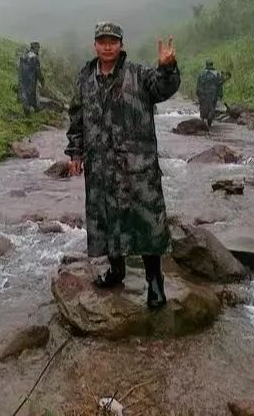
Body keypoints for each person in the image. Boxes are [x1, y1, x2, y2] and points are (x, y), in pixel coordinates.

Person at [65, 21, 180, 309]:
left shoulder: (139, 75)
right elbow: (76, 119)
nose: (107, 46)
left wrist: (168, 67)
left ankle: (155, 281)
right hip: (101, 165)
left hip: (136, 166)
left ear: (120, 45)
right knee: (106, 217)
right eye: (102, 41)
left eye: (112, 41)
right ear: (95, 45)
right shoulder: (84, 79)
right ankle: (116, 270)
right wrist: (76, 154)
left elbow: (164, 88)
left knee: (145, 220)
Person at [17, 41, 44, 115]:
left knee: (25, 95)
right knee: (33, 95)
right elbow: (38, 71)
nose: (38, 50)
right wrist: (42, 80)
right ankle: (35, 109)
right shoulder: (34, 58)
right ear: (35, 48)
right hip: (31, 80)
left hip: (23, 79)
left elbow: (19, 68)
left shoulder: (24, 56)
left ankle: (27, 111)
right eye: (38, 48)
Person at [196, 60, 221, 126]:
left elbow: (198, 84)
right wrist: (220, 94)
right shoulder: (216, 73)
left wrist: (198, 92)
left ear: (206, 65)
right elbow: (219, 85)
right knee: (212, 107)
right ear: (212, 64)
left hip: (202, 93)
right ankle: (209, 123)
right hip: (213, 94)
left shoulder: (201, 73)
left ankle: (202, 121)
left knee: (202, 106)